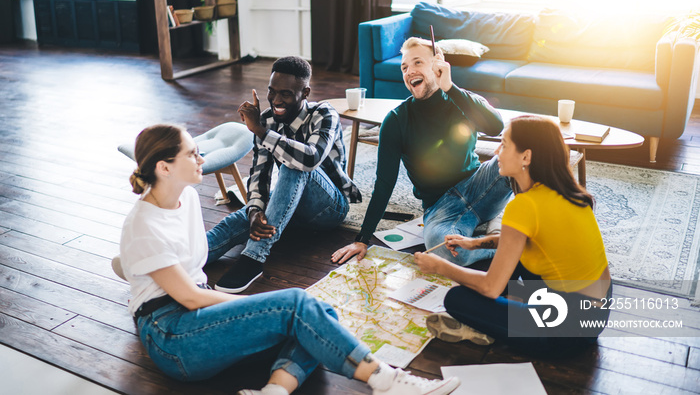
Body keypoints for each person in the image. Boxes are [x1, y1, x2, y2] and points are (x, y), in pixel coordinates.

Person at [119, 124, 460, 395]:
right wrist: (257, 307)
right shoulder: (142, 224)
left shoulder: (188, 199)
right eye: (192, 154)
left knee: (319, 314)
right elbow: (189, 297)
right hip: (171, 337)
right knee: (296, 305)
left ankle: (274, 391)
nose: (202, 157)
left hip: (197, 316)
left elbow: (194, 273)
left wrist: (254, 311)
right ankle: (387, 380)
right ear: (165, 167)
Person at [414, 115, 612, 355]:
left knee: (457, 298)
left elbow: (490, 288)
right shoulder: (566, 192)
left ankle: (488, 327)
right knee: (514, 260)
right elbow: (525, 241)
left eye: (505, 144)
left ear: (526, 157)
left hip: (567, 331)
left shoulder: (524, 206)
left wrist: (439, 266)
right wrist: (474, 244)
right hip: (596, 315)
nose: (497, 151)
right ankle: (507, 312)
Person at [332, 37, 512, 266]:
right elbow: (384, 183)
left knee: (525, 151)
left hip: (480, 185)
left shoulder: (461, 99)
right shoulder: (396, 120)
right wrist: (362, 239)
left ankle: (502, 225)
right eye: (404, 67)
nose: (409, 72)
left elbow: (496, 126)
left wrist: (449, 87)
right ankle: (504, 244)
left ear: (438, 64)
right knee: (443, 252)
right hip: (441, 207)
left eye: (418, 62)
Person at [208, 56, 362, 293]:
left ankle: (254, 258)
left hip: (329, 208)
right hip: (288, 207)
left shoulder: (324, 114)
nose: (276, 100)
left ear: (305, 92)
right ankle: (183, 260)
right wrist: (255, 211)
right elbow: (259, 172)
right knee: (235, 221)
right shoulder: (267, 119)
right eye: (272, 92)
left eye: (286, 94)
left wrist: (259, 130)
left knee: (294, 164)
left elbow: (310, 158)